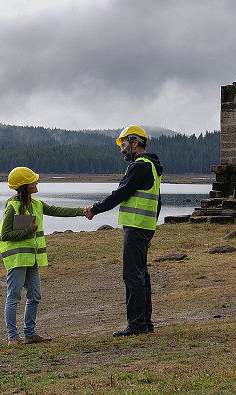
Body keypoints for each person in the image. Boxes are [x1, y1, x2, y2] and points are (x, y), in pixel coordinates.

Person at [83, 125, 163, 337]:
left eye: (124, 144)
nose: (122, 150)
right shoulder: (152, 166)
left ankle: (136, 324)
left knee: (132, 275)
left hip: (137, 227)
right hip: (143, 227)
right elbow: (159, 202)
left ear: (135, 143)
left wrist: (94, 209)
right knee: (141, 274)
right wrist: (151, 230)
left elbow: (120, 193)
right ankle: (145, 323)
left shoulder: (140, 166)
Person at [0, 166, 86, 345]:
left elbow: (58, 210)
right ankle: (13, 337)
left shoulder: (37, 204)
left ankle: (30, 334)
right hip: (17, 260)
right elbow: (4, 235)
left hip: (32, 259)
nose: (37, 182)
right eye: (33, 180)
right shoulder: (13, 207)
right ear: (25, 185)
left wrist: (82, 211)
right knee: (13, 297)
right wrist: (26, 231)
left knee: (35, 295)